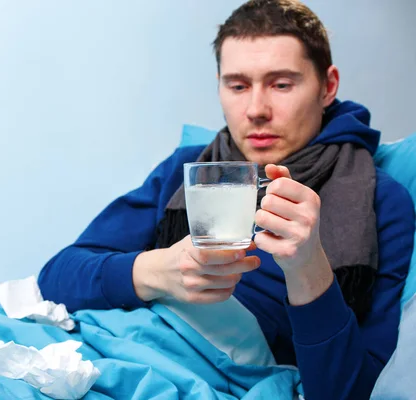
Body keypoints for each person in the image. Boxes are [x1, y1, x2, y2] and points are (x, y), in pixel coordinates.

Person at [38, 0, 415, 398]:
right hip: (106, 349)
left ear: (328, 86)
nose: (256, 110)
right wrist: (156, 270)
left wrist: (307, 269)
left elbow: (351, 390)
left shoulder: (377, 199)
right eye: (237, 86)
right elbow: (56, 278)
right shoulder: (188, 167)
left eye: (281, 84)